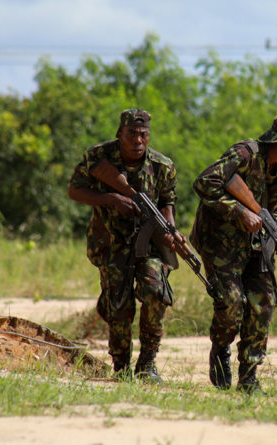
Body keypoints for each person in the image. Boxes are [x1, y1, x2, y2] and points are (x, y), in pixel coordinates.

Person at [190, 114, 277, 394]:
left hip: (257, 246)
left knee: (265, 301)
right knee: (232, 302)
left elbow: (274, 216)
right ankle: (220, 349)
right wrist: (238, 211)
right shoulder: (245, 154)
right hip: (220, 242)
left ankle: (249, 377)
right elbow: (204, 182)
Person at [68, 108, 181, 383]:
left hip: (150, 243)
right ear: (120, 134)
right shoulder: (99, 157)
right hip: (111, 242)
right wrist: (112, 199)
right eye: (132, 134)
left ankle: (147, 363)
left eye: (143, 134)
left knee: (156, 293)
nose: (138, 140)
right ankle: (121, 367)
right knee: (119, 306)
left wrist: (170, 229)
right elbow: (74, 190)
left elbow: (168, 201)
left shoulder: (162, 166)